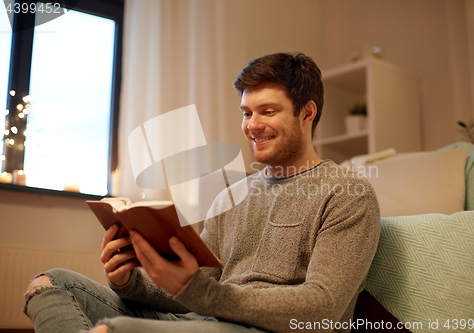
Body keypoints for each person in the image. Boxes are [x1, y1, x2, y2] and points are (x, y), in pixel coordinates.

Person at [23, 52, 380, 333]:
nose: (252, 125)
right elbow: (195, 289)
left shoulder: (347, 195)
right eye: (246, 113)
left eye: (267, 111)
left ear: (308, 113)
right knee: (51, 283)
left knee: (113, 330)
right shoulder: (230, 197)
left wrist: (202, 295)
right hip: (205, 322)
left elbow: (323, 308)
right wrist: (129, 281)